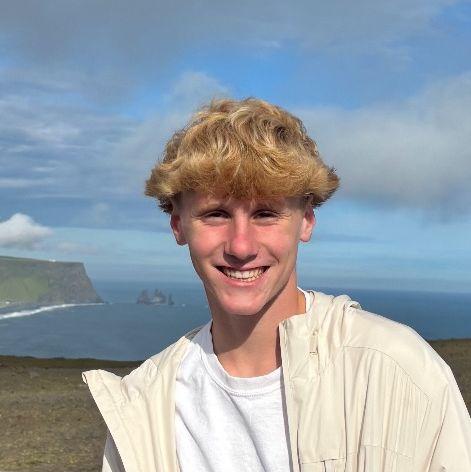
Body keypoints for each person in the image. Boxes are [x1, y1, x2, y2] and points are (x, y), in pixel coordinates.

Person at [83, 98, 471, 472]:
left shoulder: (398, 371)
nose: (241, 246)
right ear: (177, 225)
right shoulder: (142, 408)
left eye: (266, 213)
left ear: (307, 221)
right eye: (216, 214)